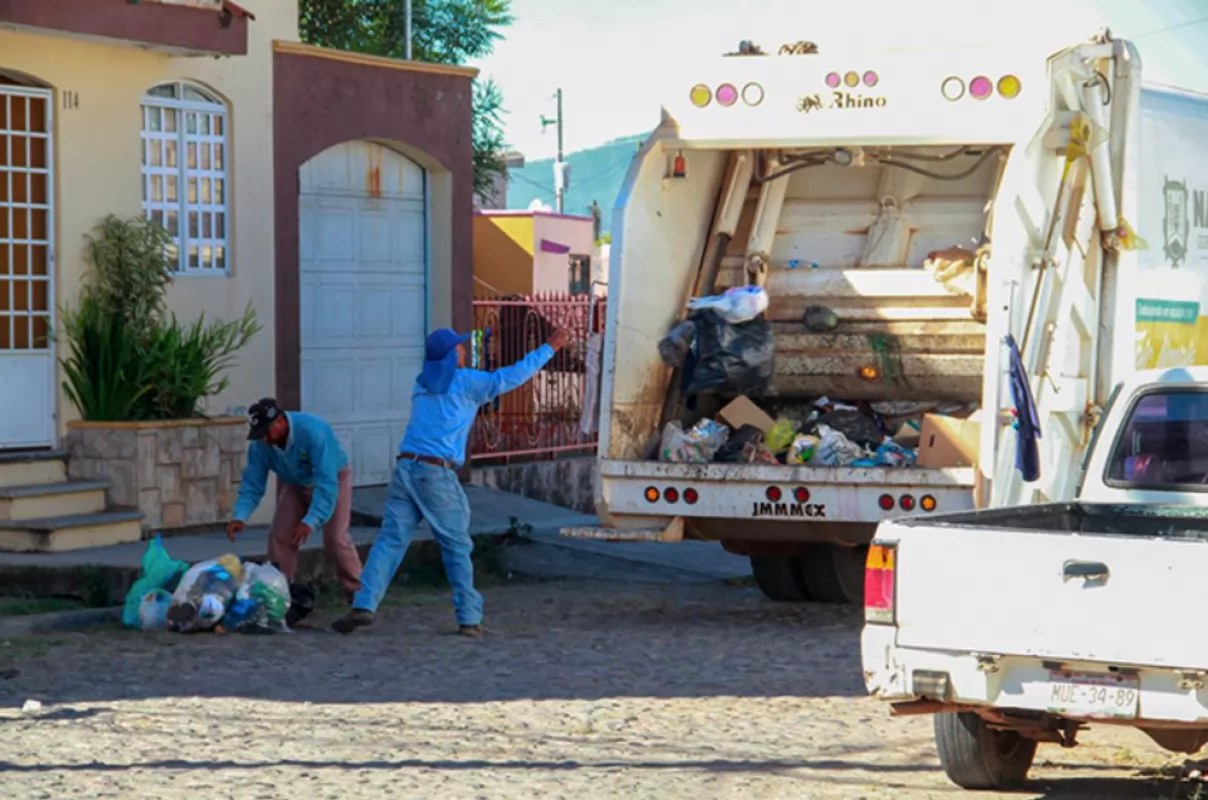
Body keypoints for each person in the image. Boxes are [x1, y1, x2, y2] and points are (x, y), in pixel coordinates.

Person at [332, 325, 572, 636]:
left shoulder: (421, 385)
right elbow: (509, 377)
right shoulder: (465, 383)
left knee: (390, 540)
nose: (463, 350)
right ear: (450, 355)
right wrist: (550, 347)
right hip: (435, 472)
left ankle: (364, 604)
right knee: (456, 544)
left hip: (405, 467)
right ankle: (469, 617)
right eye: (459, 347)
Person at [227, 398, 363, 601]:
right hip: (295, 483)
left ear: (281, 421)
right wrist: (240, 515)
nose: (264, 439)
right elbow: (252, 484)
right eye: (260, 434)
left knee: (335, 539)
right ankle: (279, 593)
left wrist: (310, 520)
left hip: (332, 479)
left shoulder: (313, 432)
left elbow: (326, 482)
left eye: (266, 432)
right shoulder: (260, 446)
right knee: (280, 537)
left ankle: (359, 594)